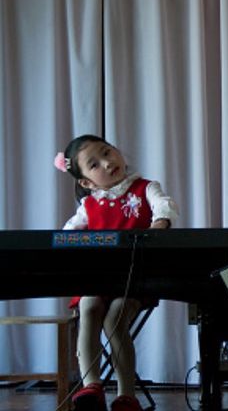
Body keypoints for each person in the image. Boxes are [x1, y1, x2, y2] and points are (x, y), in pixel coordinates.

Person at [55, 135, 178, 411]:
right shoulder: (88, 205)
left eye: (107, 152)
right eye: (95, 164)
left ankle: (126, 395)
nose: (107, 162)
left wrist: (159, 223)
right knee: (88, 306)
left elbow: (164, 206)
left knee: (115, 318)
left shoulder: (145, 187)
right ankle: (91, 386)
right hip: (99, 277)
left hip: (136, 278)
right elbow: (67, 234)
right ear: (86, 183)